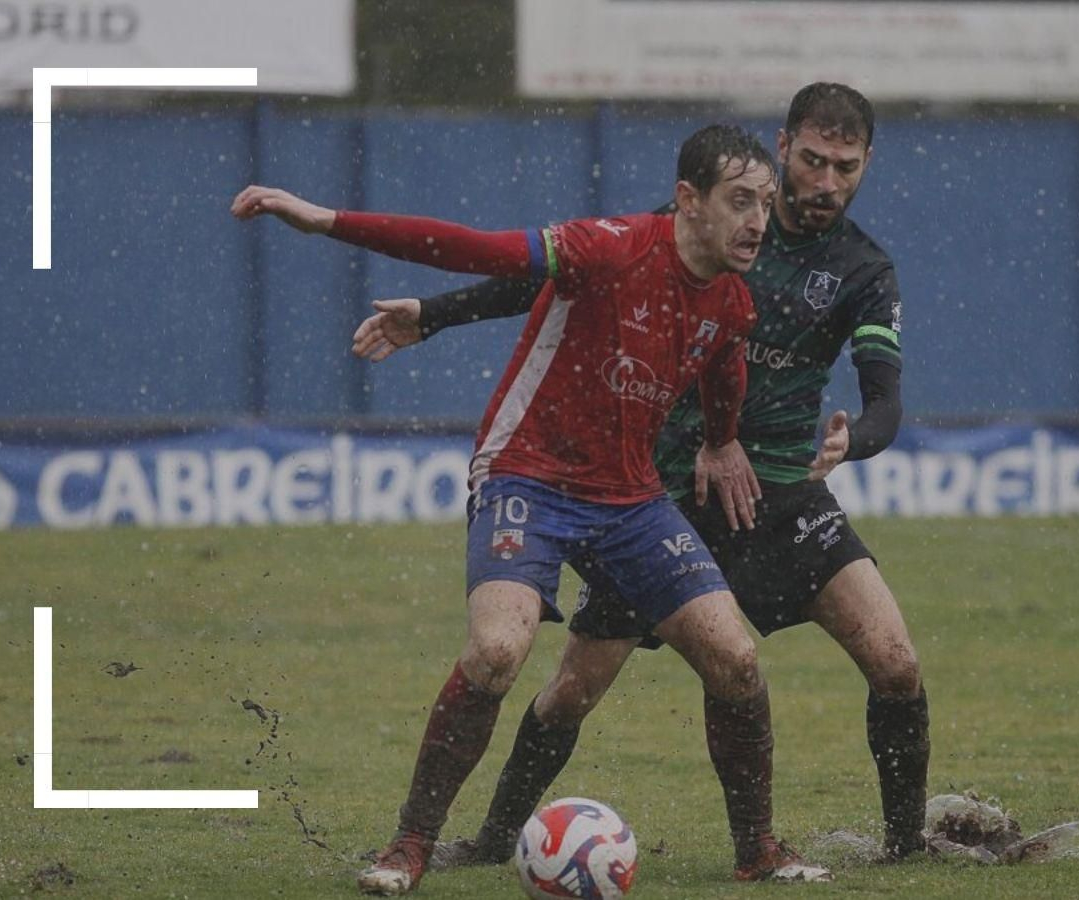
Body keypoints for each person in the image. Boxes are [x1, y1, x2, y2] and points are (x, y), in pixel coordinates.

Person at [232, 124, 822, 895]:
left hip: (632, 499)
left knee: (737, 661)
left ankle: (758, 853)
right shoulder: (609, 247)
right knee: (497, 653)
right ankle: (408, 847)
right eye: (740, 201)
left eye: (766, 204)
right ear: (688, 200)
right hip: (527, 476)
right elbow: (475, 249)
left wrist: (718, 442)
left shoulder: (733, 301)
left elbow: (724, 371)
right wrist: (327, 221)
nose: (757, 221)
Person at [353, 83, 931, 866]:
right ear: (784, 145)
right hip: (661, 491)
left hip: (785, 494)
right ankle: (492, 842)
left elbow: (886, 399)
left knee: (894, 662)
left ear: (866, 165)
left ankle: (904, 850)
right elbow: (552, 273)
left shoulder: (862, 269)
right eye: (813, 161)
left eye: (846, 167)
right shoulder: (701, 219)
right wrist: (437, 313)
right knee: (570, 690)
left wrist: (850, 440)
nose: (826, 183)